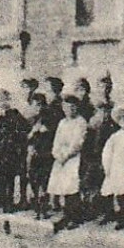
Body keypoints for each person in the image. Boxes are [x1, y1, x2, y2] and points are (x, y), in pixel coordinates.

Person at [48, 95, 88, 231]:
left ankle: (75, 217)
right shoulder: (62, 123)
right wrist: (57, 154)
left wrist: (66, 155)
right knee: (62, 186)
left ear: (77, 107)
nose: (69, 109)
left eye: (72, 106)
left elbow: (78, 142)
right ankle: (66, 214)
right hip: (60, 157)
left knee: (72, 186)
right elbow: (57, 140)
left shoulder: (80, 122)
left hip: (73, 158)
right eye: (66, 107)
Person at [81, 98, 115, 224]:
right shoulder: (93, 126)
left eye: (107, 111)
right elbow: (87, 143)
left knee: (105, 186)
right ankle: (91, 209)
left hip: (105, 159)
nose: (104, 114)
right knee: (90, 185)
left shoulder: (113, 127)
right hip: (92, 159)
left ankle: (107, 212)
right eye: (102, 111)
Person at [0, 88, 28, 212]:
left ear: (8, 100)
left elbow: (23, 128)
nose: (1, 102)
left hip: (10, 150)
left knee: (9, 176)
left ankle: (8, 202)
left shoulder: (14, 114)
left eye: (3, 99)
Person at [25, 91, 54, 217]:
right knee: (33, 179)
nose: (39, 108)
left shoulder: (48, 119)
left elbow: (52, 136)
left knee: (44, 180)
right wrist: (32, 132)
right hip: (32, 154)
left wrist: (45, 130)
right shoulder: (29, 121)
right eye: (36, 105)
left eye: (41, 105)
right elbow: (24, 138)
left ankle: (44, 207)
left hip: (45, 153)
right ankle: (36, 206)